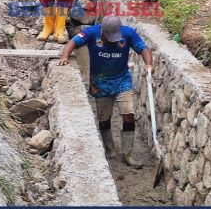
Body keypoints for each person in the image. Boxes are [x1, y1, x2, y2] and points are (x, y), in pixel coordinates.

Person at [58, 16, 154, 167]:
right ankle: (110, 150)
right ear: (102, 31)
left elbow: (143, 48)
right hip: (100, 82)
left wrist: (149, 64)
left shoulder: (128, 33)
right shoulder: (91, 33)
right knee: (104, 118)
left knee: (128, 115)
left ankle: (127, 154)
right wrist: (65, 56)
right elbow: (73, 42)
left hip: (122, 80)